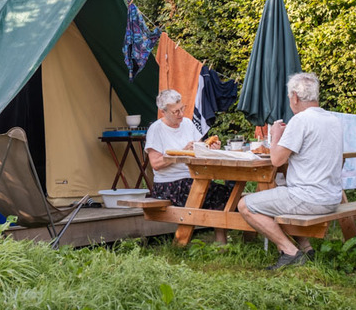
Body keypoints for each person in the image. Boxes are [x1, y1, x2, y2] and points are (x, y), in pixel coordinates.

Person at [237, 72, 343, 270]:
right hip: (331, 196)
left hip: (309, 198)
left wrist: (276, 135)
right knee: (278, 195)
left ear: (295, 96)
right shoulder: (332, 119)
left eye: (289, 98)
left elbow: (276, 159)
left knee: (245, 205)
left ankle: (289, 251)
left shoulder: (301, 120)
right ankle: (306, 248)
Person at [145, 89, 232, 244]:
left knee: (226, 193)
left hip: (191, 178)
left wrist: (210, 147)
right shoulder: (156, 129)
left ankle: (221, 241)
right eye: (175, 111)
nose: (180, 114)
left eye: (182, 108)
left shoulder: (187, 123)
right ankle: (190, 242)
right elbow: (156, 164)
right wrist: (180, 153)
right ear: (164, 111)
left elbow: (199, 148)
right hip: (169, 185)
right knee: (217, 193)